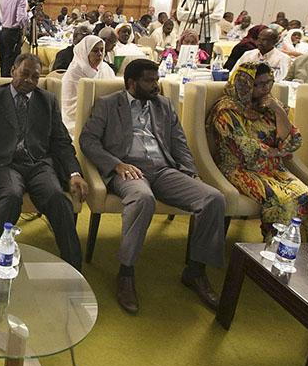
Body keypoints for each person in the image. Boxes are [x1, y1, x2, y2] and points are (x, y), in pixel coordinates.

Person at [78, 59, 226, 313]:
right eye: (149, 81)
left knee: (214, 198)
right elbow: (88, 140)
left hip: (163, 169)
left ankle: (195, 270)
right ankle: (126, 272)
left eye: (156, 80)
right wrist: (116, 165)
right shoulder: (108, 104)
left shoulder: (164, 105)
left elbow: (179, 143)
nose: (155, 85)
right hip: (128, 169)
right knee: (143, 199)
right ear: (131, 83)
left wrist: (191, 174)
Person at [0, 53, 88, 268]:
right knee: (11, 196)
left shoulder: (47, 101)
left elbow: (61, 142)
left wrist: (74, 173)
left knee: (58, 199)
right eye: (25, 74)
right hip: (6, 164)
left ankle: (73, 267)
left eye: (35, 77)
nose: (29, 80)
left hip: (39, 164)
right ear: (13, 71)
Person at [210, 62, 308, 242]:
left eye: (269, 82)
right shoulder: (227, 109)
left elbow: (292, 141)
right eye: (259, 84)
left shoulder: (270, 105)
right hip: (240, 168)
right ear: (245, 84)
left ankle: (304, 249)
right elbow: (243, 147)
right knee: (282, 201)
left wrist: (278, 111)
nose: (265, 88)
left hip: (273, 168)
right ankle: (274, 250)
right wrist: (278, 152)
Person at [61, 36, 115, 136]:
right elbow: (69, 107)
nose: (100, 54)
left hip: (104, 116)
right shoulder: (74, 72)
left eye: (101, 50)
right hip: (76, 119)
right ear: (85, 52)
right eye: (95, 51)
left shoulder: (105, 69)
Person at [0, 0, 29, 77]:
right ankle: (10, 85)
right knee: (12, 65)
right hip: (13, 34)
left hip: (3, 32)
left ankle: (3, 83)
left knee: (3, 63)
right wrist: (28, 17)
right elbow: (20, 18)